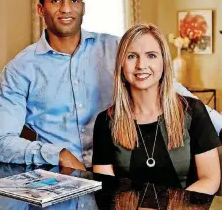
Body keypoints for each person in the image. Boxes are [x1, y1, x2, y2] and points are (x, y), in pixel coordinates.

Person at [0, 0, 222, 169]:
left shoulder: (115, 48)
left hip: (122, 174)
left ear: (83, 7)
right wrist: (56, 154)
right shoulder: (19, 69)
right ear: (40, 8)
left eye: (74, 0)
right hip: (60, 179)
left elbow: (169, 88)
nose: (66, 8)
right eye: (56, 0)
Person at [92, 23, 221, 195]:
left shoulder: (193, 111)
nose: (141, 65)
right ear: (121, 65)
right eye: (131, 56)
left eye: (151, 55)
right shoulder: (105, 121)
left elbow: (210, 178)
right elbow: (107, 189)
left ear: (164, 62)